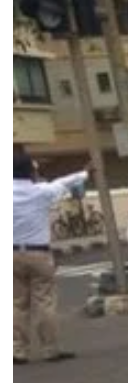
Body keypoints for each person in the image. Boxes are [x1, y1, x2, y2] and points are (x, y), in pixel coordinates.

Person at [13, 148, 88, 364]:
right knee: (44, 302)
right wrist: (84, 173)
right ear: (30, 171)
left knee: (16, 304)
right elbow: (63, 183)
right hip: (39, 254)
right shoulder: (41, 192)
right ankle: (50, 349)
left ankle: (17, 351)